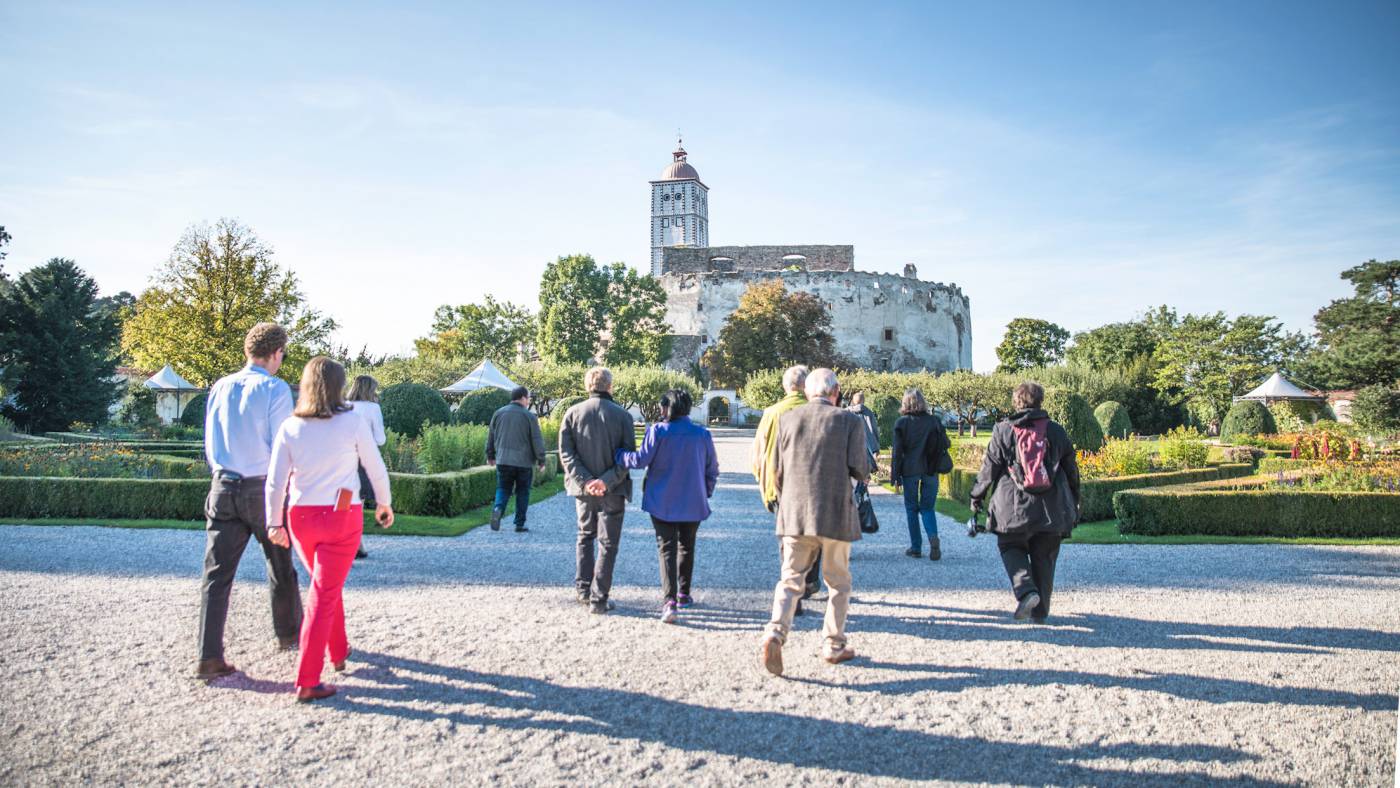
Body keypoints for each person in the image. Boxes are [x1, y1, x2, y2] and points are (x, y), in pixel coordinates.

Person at [266, 357, 394, 702]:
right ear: (339, 385)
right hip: (341, 515)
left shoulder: (290, 426)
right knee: (323, 593)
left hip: (301, 517)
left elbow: (276, 482)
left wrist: (274, 521)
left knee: (325, 585)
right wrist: (384, 504)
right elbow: (375, 467)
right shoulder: (351, 423)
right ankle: (308, 678)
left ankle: (338, 652)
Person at [195, 322, 303, 682]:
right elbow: (280, 445)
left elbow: (210, 444)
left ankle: (209, 656)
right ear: (277, 353)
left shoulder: (221, 386)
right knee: (280, 565)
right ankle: (289, 634)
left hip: (223, 484)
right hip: (261, 487)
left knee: (216, 575)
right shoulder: (275, 389)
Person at [759, 368, 870, 676]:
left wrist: (788, 502)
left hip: (795, 512)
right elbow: (860, 469)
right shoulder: (849, 421)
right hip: (835, 512)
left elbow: (776, 472)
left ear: (808, 393)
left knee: (790, 579)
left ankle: (775, 632)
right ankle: (833, 644)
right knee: (838, 583)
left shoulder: (788, 419)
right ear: (835, 393)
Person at [969, 381, 1080, 623]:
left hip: (1012, 507)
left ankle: (1026, 591)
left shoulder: (1003, 430)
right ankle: (1040, 612)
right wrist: (1075, 500)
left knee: (1010, 547)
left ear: (1016, 402)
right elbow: (1072, 470)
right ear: (1040, 401)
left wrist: (976, 497)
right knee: (1045, 557)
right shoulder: (1055, 430)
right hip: (1051, 509)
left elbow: (990, 469)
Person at [615, 389, 719, 624]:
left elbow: (640, 460)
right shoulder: (702, 434)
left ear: (666, 408)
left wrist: (620, 455)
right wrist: (706, 491)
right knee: (687, 547)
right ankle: (683, 593)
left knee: (667, 549)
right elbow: (712, 469)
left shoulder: (658, 432)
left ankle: (669, 600)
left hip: (662, 500)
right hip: (693, 501)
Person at [559, 367, 635, 614]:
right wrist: (606, 480)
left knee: (585, 536)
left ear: (587, 386)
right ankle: (599, 597)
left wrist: (585, 481)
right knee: (608, 543)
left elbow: (566, 454)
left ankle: (583, 589)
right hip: (612, 489)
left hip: (583, 490)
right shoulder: (622, 416)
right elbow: (627, 456)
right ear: (610, 387)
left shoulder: (572, 413)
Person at [751, 365, 821, 612]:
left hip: (782, 485)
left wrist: (764, 481)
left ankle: (793, 588)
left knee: (788, 539)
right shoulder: (820, 411)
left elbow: (759, 453)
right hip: (814, 484)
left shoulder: (772, 413)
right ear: (806, 386)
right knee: (815, 533)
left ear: (785, 386)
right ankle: (810, 579)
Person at [891, 388, 944, 560]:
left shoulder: (902, 423)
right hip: (930, 469)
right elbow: (945, 443)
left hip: (910, 470)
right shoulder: (934, 421)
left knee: (911, 508)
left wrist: (895, 475)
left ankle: (916, 547)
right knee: (928, 508)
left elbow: (897, 452)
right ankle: (933, 537)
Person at [486, 386, 547, 533]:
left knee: (503, 488)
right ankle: (519, 524)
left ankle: (498, 508)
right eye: (529, 398)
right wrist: (541, 460)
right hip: (523, 462)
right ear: (523, 398)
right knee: (523, 492)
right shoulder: (529, 417)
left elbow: (491, 437)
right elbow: (536, 440)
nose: (529, 401)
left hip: (503, 460)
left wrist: (490, 455)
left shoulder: (498, 413)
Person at [347, 375, 386, 559]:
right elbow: (380, 439)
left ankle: (350, 543)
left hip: (343, 460)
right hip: (363, 460)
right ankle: (355, 544)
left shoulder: (343, 407)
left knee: (344, 503)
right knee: (358, 505)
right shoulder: (373, 408)